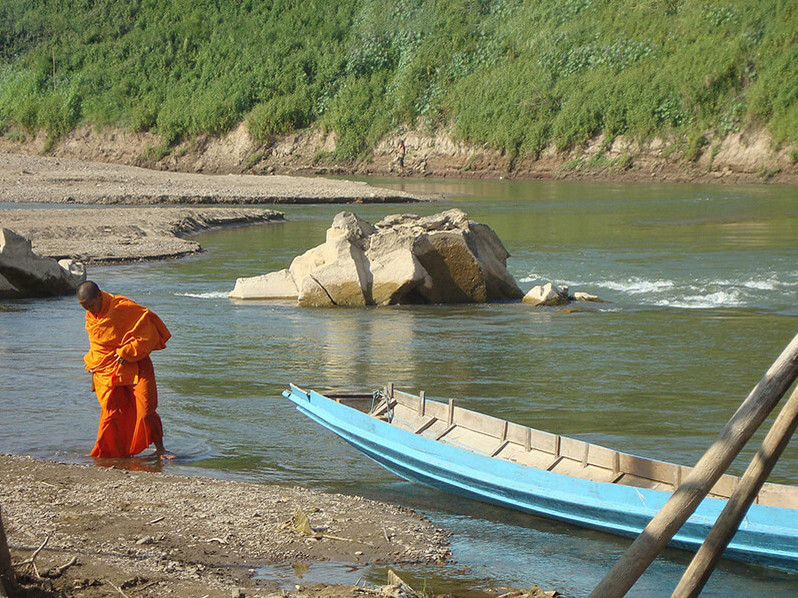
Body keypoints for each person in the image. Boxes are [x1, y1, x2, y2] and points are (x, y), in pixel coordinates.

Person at [76, 280, 172, 459]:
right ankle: (112, 454)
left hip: (137, 365)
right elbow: (98, 347)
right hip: (108, 370)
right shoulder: (91, 318)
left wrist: (127, 351)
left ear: (99, 295)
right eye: (84, 307)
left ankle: (161, 450)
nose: (89, 310)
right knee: (111, 415)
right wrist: (93, 366)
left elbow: (148, 333)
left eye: (90, 305)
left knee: (146, 411)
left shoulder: (122, 307)